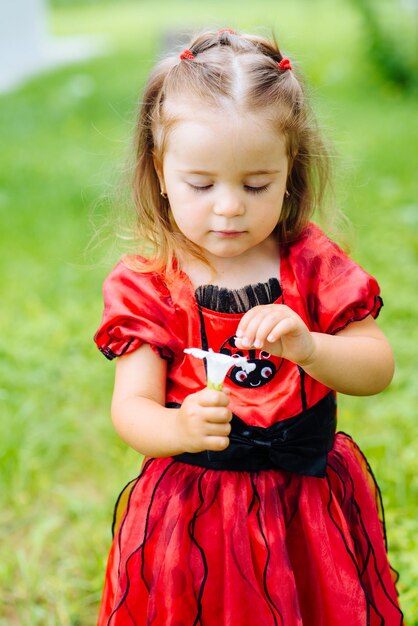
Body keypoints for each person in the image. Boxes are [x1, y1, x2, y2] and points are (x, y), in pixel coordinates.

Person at [93, 29, 404, 626]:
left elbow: (377, 367)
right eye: (201, 184)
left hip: (304, 503)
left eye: (256, 184)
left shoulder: (310, 263)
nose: (229, 206)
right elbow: (131, 410)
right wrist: (177, 425)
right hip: (195, 511)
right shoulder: (149, 283)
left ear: (291, 170)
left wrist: (311, 347)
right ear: (160, 171)